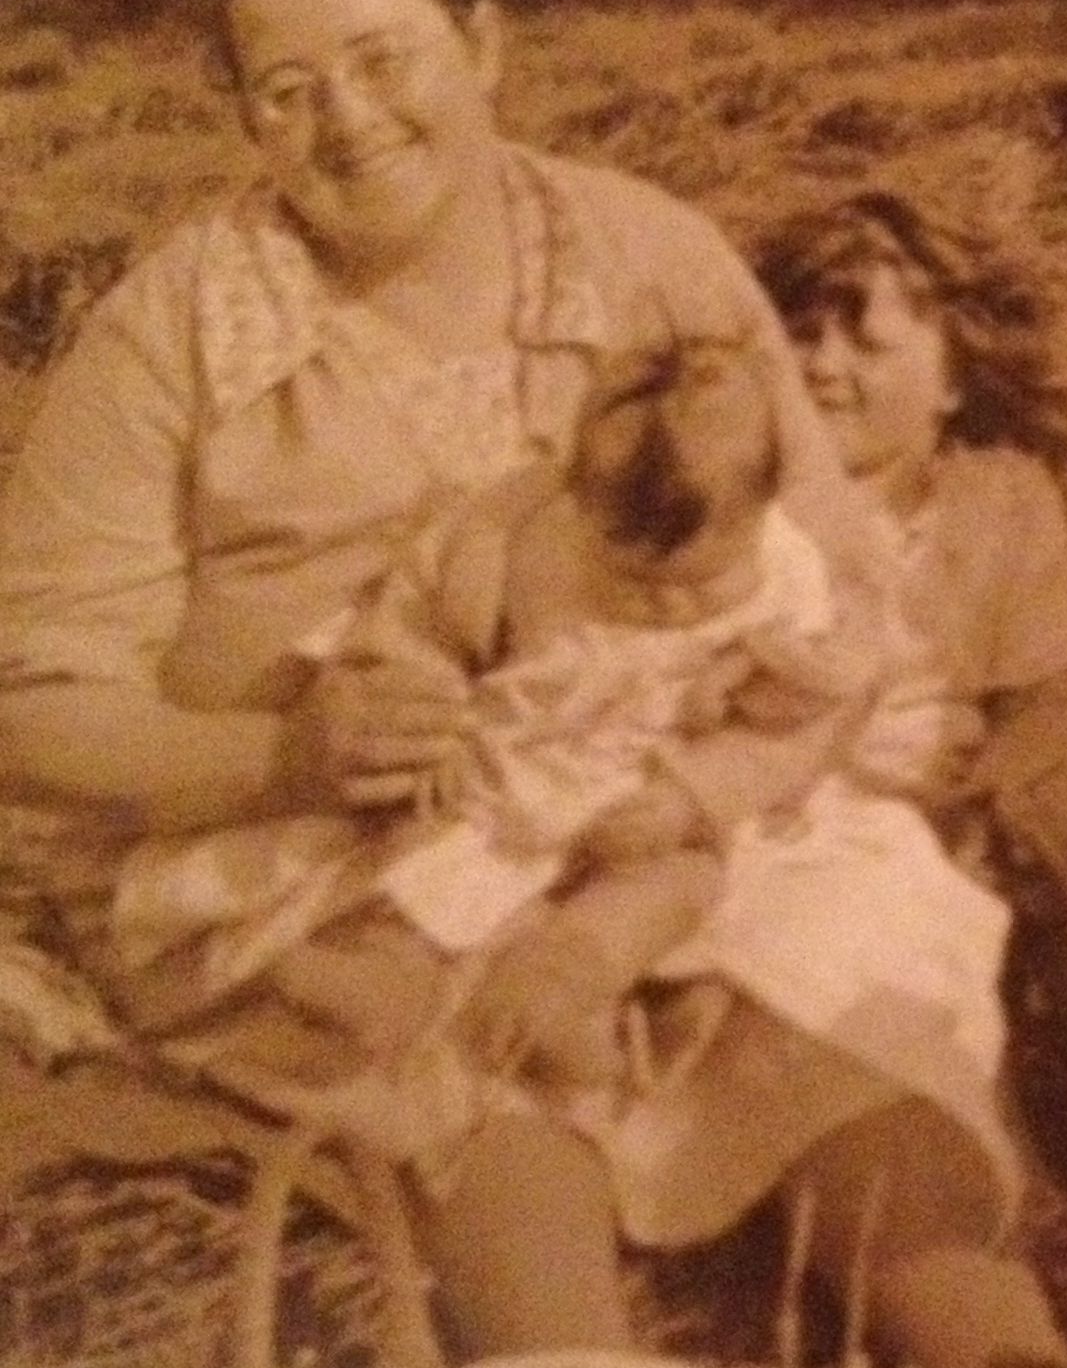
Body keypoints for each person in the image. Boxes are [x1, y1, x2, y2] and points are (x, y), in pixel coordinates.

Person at [0, 0, 1067, 1368]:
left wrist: (694, 792)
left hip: (648, 794)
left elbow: (822, 599)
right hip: (316, 848)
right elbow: (33, 702)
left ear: (487, 45)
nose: (347, 120)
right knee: (473, 1033)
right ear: (244, 123)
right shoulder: (170, 338)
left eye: (385, 59)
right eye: (289, 91)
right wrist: (279, 754)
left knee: (813, 988)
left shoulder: (648, 258)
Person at [92, 329, 1017, 1245]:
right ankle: (381, 978)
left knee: (683, 882)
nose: (668, 609)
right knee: (418, 859)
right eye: (633, 577)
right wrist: (429, 707)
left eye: (698, 585)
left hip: (643, 800)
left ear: (764, 511)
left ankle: (570, 978)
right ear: (577, 499)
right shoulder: (503, 534)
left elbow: (791, 729)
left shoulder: (786, 580)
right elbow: (414, 622)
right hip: (507, 773)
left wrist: (696, 794)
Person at [752, 193, 1067, 1207]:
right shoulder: (745, 509)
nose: (822, 369)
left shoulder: (999, 501)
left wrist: (985, 787)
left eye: (865, 345)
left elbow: (1049, 694)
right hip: (787, 798)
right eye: (799, 338)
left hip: (956, 788)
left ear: (952, 381)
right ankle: (996, 1175)